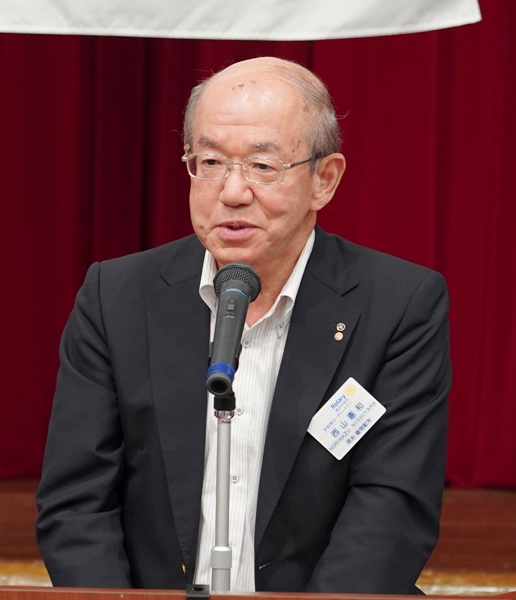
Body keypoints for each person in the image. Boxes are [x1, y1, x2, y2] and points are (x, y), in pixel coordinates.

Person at [35, 56, 451, 595]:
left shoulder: (397, 304)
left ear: (324, 180)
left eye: (262, 165)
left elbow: (391, 507)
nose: (232, 191)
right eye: (210, 162)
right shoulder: (116, 297)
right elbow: (76, 503)